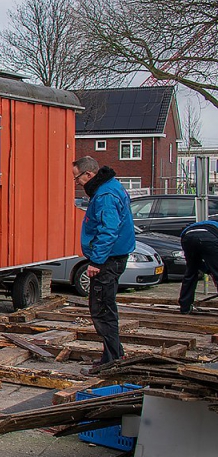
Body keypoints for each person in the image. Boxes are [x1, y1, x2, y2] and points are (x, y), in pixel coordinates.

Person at [72, 156, 136, 368]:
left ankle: (112, 361)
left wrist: (97, 261)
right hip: (114, 258)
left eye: (77, 178)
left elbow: (109, 230)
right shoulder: (111, 187)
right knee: (106, 307)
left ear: (88, 174)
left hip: (108, 261)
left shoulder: (105, 195)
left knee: (102, 310)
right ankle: (115, 355)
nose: (77, 183)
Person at [179, 219, 218, 314]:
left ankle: (185, 307)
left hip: (187, 237)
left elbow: (199, 264)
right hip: (209, 238)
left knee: (191, 271)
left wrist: (208, 270)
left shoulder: (211, 224)